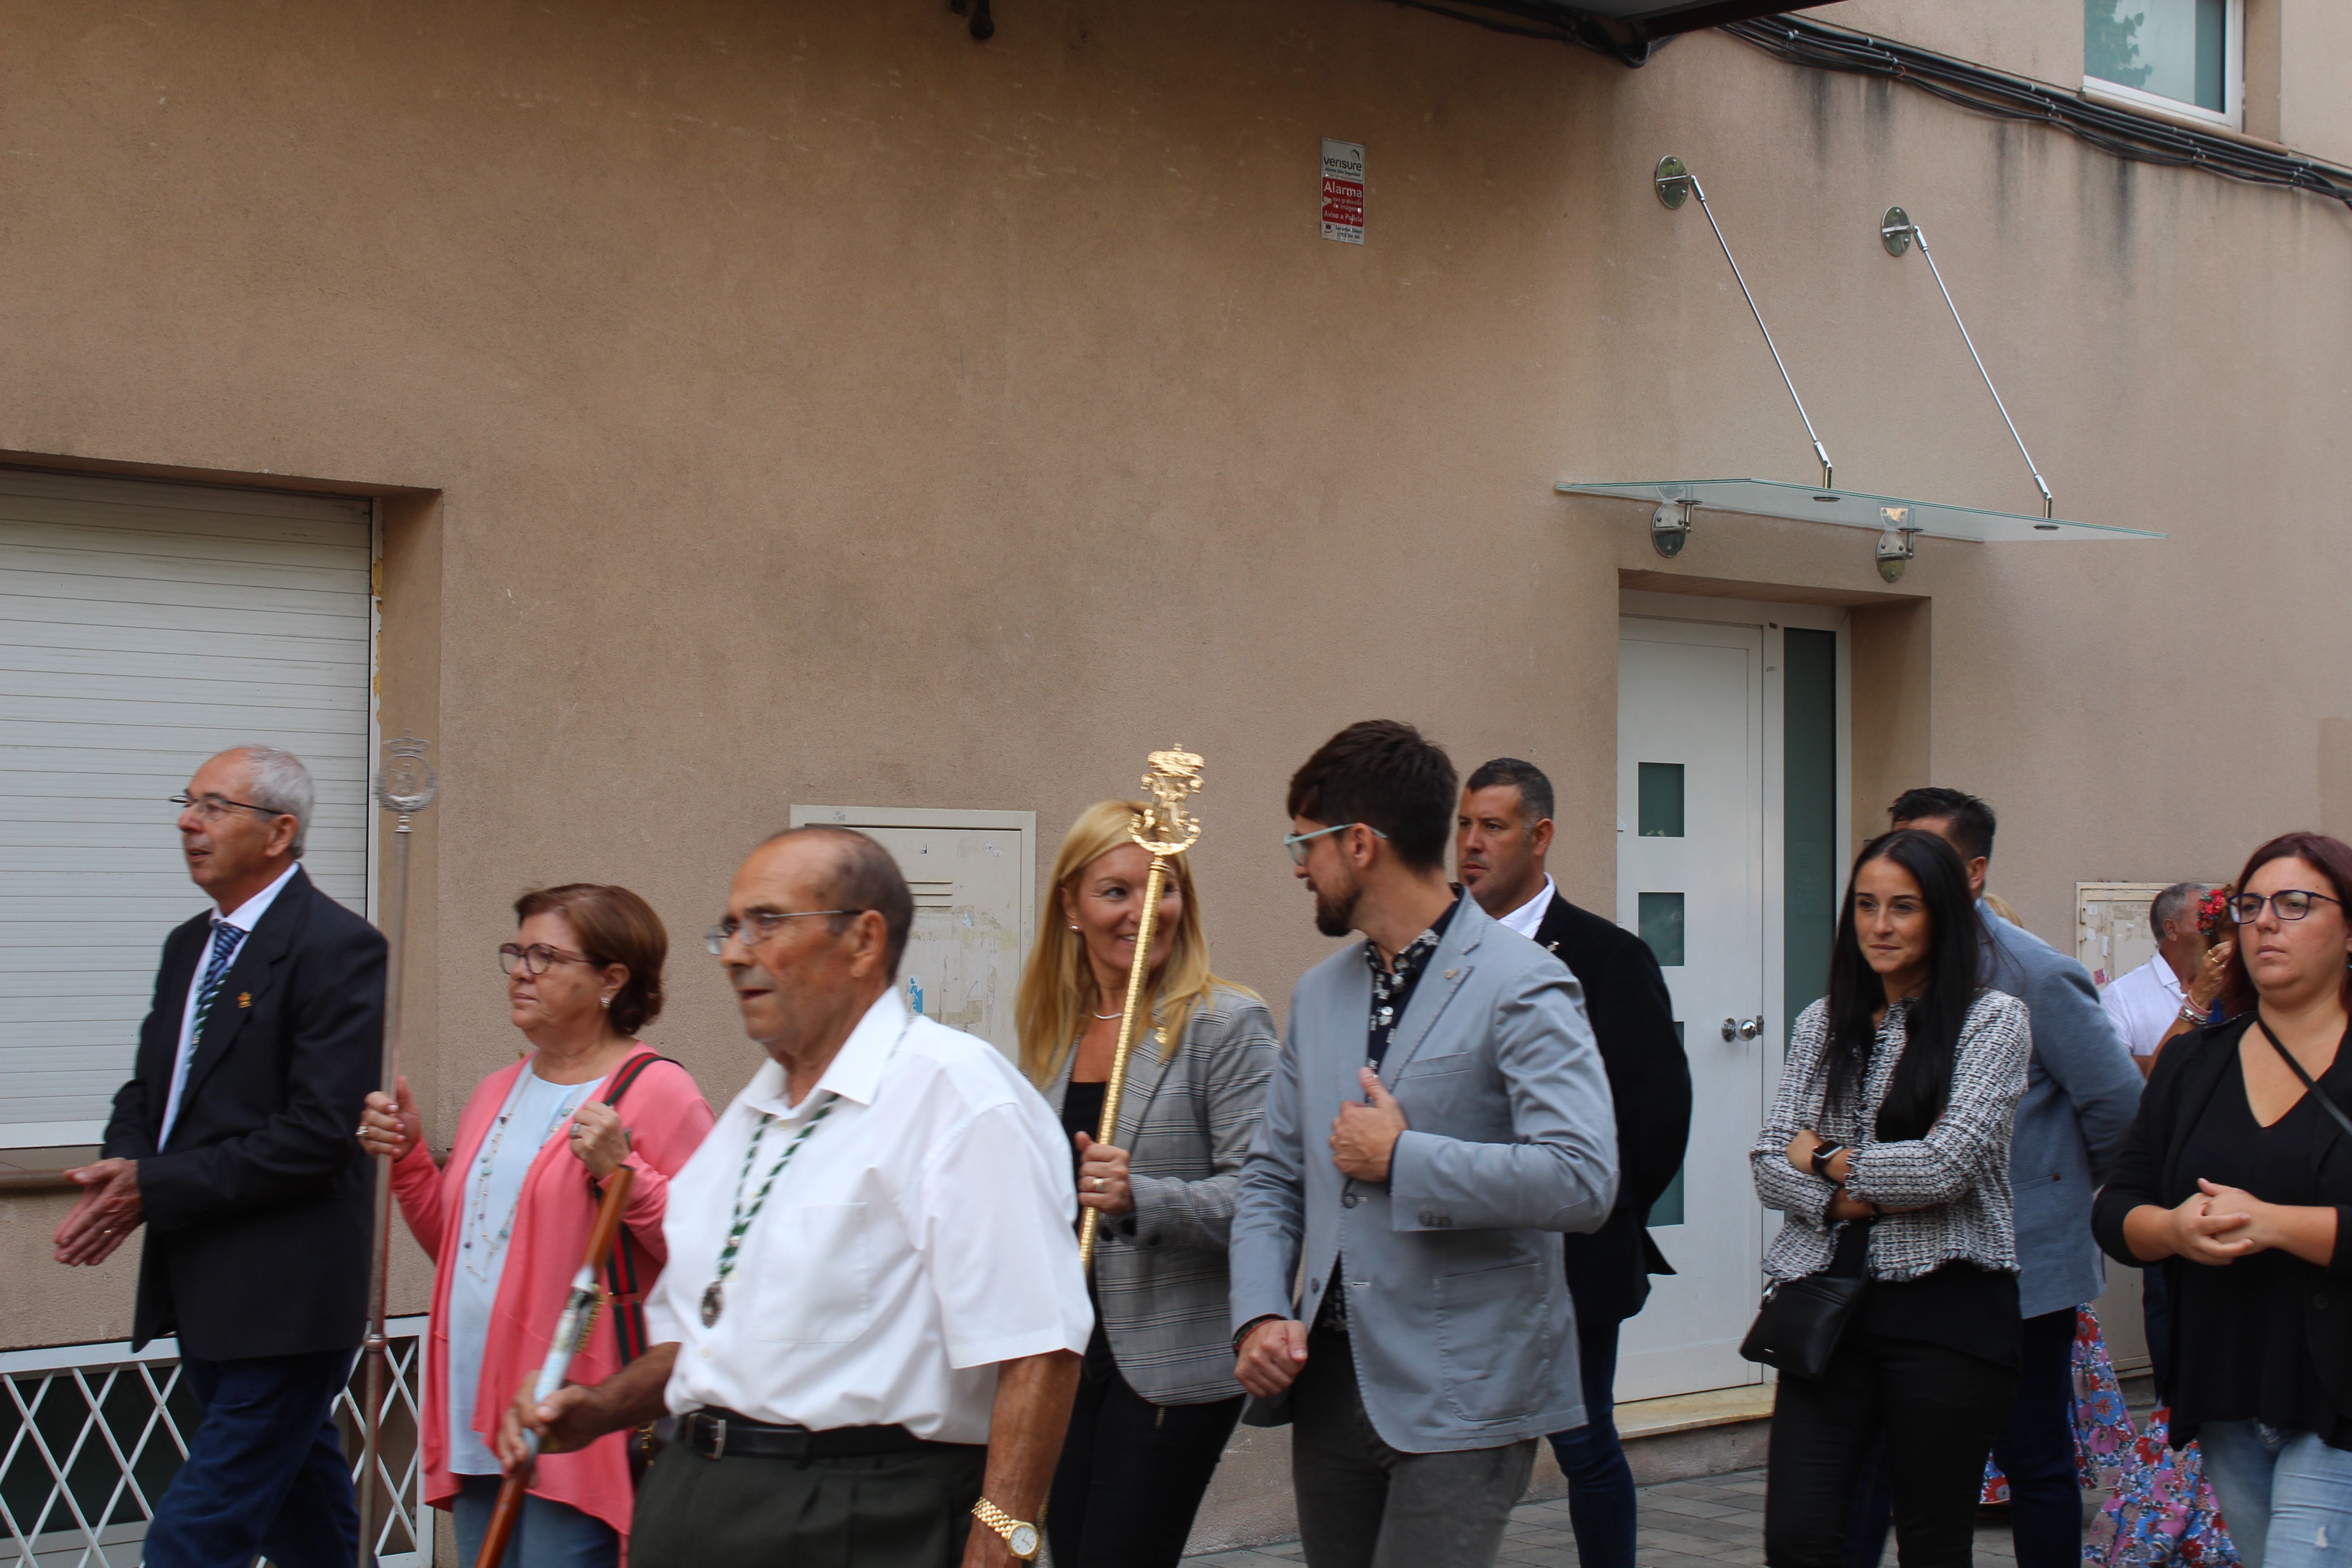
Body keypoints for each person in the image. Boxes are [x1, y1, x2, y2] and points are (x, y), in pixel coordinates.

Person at [500, 826, 1091, 1568]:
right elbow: (710, 1339)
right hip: (695, 1500)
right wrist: (602, 1407)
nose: (735, 952)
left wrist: (1001, 1545)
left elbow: (1038, 1349)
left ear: (862, 940)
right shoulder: (749, 1118)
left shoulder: (957, 1098)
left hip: (864, 1517)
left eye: (767, 922)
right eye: (730, 928)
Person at [1230, 720, 1620, 1568]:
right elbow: (1269, 1176)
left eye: (1306, 843)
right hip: (1331, 1381)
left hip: (1465, 1385)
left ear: (1360, 844)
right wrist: (1259, 1309)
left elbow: (1583, 1178)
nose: (1298, 866)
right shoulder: (1320, 992)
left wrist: (1404, 1159)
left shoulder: (1522, 982)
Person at [51, 745, 384, 1568]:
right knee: (306, 1517)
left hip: (286, 1299)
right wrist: (118, 1169)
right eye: (187, 802)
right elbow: (152, 1091)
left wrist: (151, 1187)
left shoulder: (339, 947)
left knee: (195, 1537)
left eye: (211, 806)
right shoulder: (187, 945)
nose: (186, 822)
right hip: (199, 1283)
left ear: (279, 833)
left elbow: (317, 1132)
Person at [357, 883, 713, 1566]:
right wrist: (407, 1157)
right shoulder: (498, 1088)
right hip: (474, 1396)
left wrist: (623, 1176)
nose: (521, 970)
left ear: (612, 979)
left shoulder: (659, 1091)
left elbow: (710, 1259)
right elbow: (463, 1251)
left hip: (572, 1405)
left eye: (546, 956)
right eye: (517, 952)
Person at [1752, 827, 2033, 1568]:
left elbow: (1944, 1167)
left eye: (1902, 907)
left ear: (1941, 913)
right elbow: (1764, 1163)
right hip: (1826, 1307)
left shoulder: (1991, 1021)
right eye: (1866, 905)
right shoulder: (1822, 1022)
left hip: (1947, 1312)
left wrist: (1827, 1160)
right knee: (1797, 1539)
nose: (1878, 926)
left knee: (1931, 1542)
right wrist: (1849, 1198)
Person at [1017, 800, 1278, 1568]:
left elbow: (1262, 1200)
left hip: (1168, 1362)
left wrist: (1142, 1197)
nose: (1143, 911)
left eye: (1162, 888)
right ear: (1070, 905)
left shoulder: (1223, 1023)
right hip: (1067, 1355)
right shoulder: (1052, 1028)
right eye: (1115, 891)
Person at [1887, 788, 2143, 1568]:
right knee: (1903, 1462)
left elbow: (2116, 1107)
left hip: (2020, 1268)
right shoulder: (1884, 969)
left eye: (1923, 856)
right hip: (1906, 1258)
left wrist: (2057, 1196)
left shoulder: (2033, 975)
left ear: (1971, 873)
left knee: (2031, 1454)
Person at [1455, 757, 1691, 1568]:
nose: (1471, 844)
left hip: (1567, 1253)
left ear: (1540, 836)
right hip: (1459, 1249)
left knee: (1583, 1440)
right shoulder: (1433, 951)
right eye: (1463, 825)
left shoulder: (1605, 958)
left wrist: (1594, 1210)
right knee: (1453, 1449)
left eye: (1492, 826)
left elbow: (1655, 1115)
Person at [2095, 831, 2352, 1568]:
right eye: (2249, 905)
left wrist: (2273, 1224)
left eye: (2294, 903)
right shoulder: (2192, 1062)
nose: (2264, 921)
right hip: (2227, 1386)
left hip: (2335, 1393)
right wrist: (2171, 1230)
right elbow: (2117, 1205)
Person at [2104, 881, 2237, 1077]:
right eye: (2205, 917)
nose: (2215, 923)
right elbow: (2107, 1073)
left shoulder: (2236, 987)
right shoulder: (2120, 996)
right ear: (2172, 930)